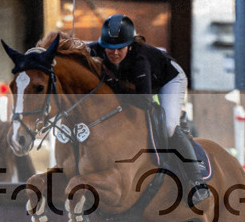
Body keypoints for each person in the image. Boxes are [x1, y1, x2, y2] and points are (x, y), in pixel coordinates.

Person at [87, 14, 209, 205]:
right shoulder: (95, 49)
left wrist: (111, 82)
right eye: (109, 48)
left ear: (129, 44)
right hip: (141, 83)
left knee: (168, 126)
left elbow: (144, 101)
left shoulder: (140, 59)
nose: (115, 53)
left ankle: (197, 182)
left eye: (120, 48)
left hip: (169, 79)